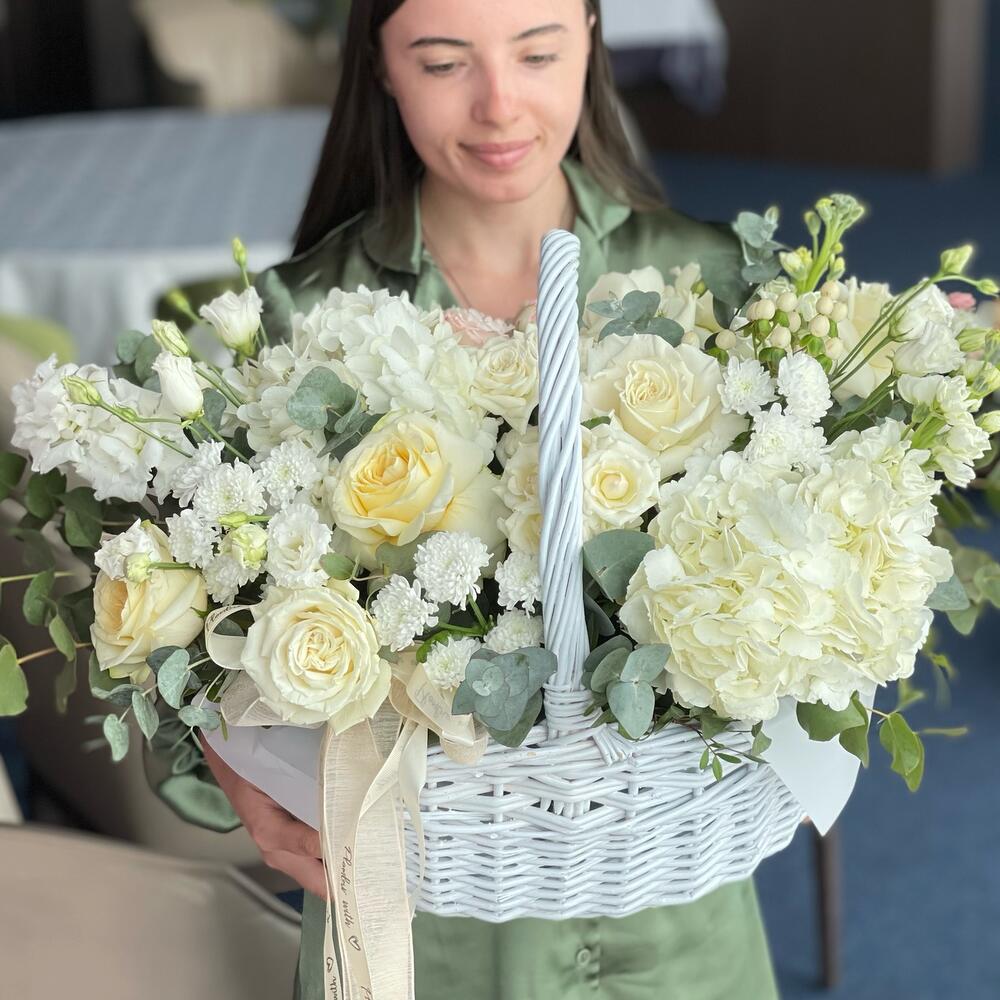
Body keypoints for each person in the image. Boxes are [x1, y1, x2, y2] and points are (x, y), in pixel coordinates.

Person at [194, 0, 779, 997]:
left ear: (592, 37)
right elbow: (194, 609)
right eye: (442, 63)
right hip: (428, 918)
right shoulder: (303, 315)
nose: (499, 105)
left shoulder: (713, 281)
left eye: (538, 52)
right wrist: (241, 776)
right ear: (381, 67)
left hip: (674, 912)